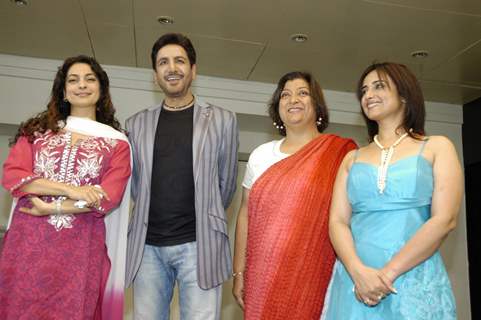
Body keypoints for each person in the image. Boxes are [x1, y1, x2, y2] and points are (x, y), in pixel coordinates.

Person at [321, 62, 463, 319]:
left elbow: (445, 219)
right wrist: (358, 272)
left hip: (413, 278)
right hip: (356, 281)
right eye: (364, 91)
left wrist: (386, 275)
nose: (368, 96)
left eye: (379, 86)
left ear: (404, 94)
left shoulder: (438, 147)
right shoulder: (351, 159)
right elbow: (337, 221)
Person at [0, 55, 132, 319]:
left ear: (102, 89)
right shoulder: (37, 132)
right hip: (29, 244)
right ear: (63, 91)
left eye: (89, 79)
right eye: (73, 80)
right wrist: (71, 190)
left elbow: (108, 197)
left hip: (80, 248)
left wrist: (52, 207)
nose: (81, 85)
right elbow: (14, 175)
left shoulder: (117, 144)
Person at [124, 33, 238, 319]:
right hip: (147, 247)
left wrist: (205, 211)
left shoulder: (223, 120)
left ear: (193, 70)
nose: (172, 68)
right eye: (163, 62)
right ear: (155, 75)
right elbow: (137, 186)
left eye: (179, 61)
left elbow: (226, 185)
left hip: (200, 245)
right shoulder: (135, 124)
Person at [232, 71, 357, 319]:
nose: (293, 99)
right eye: (285, 95)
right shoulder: (261, 155)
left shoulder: (340, 154)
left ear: (317, 104)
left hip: (316, 273)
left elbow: (350, 218)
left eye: (302, 93)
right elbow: (245, 214)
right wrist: (239, 272)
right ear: (277, 107)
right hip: (262, 274)